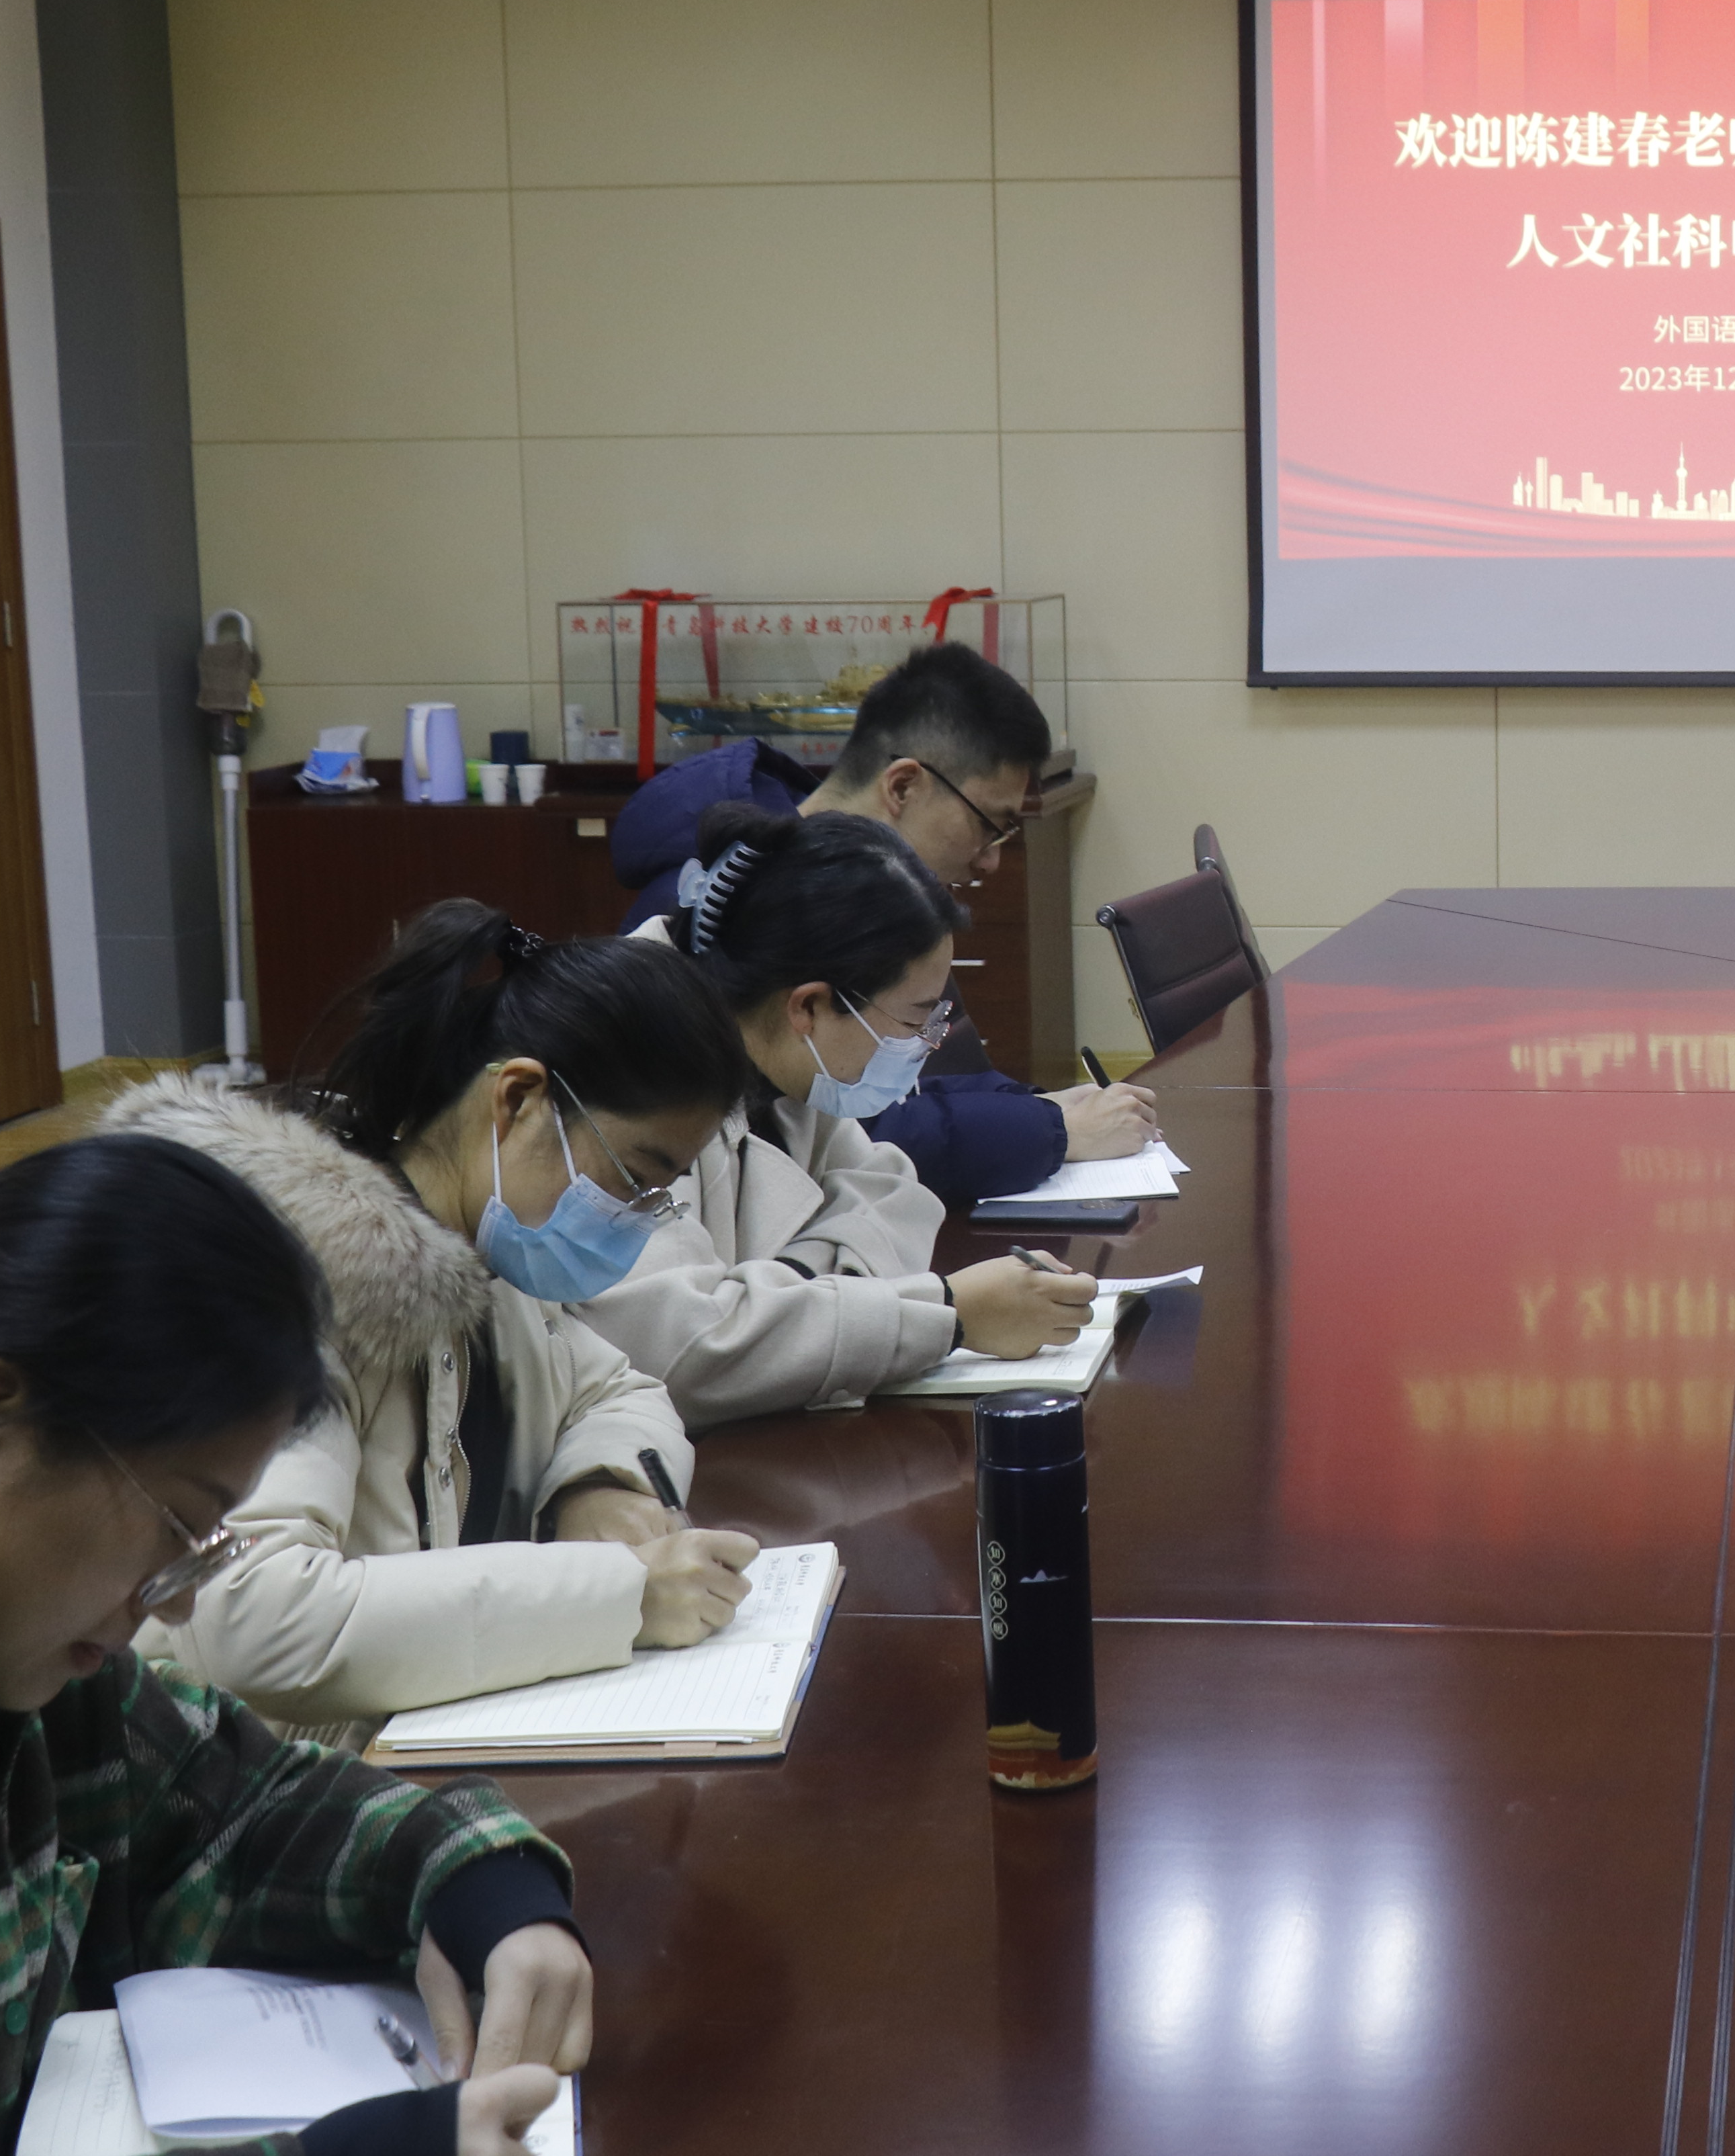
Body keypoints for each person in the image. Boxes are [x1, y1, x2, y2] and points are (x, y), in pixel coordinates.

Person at [0, 1137, 586, 2156]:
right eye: (177, 1524)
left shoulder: (21, 1648)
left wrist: (482, 1884)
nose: (176, 1601)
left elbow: (241, 1806)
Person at [94, 907, 768, 1725]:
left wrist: (596, 1484)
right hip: (250, 1774)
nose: (636, 1216)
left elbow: (619, 1390)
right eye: (633, 1177)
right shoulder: (290, 1282)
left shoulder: (484, 1253)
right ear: (518, 1098)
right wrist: (622, 1595)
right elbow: (248, 1613)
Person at [578, 808, 1098, 1424]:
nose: (929, 1043)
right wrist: (947, 1313)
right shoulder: (622, 1074)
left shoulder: (777, 1040)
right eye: (916, 1018)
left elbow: (894, 1197)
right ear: (809, 1006)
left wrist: (788, 1297)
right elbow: (683, 1349)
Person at [607, 642, 1152, 1206]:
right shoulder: (730, 905)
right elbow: (844, 1129)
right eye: (990, 825)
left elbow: (925, 1086)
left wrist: (1036, 1108)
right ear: (903, 786)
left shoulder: (894, 901)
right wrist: (1050, 1129)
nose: (991, 860)